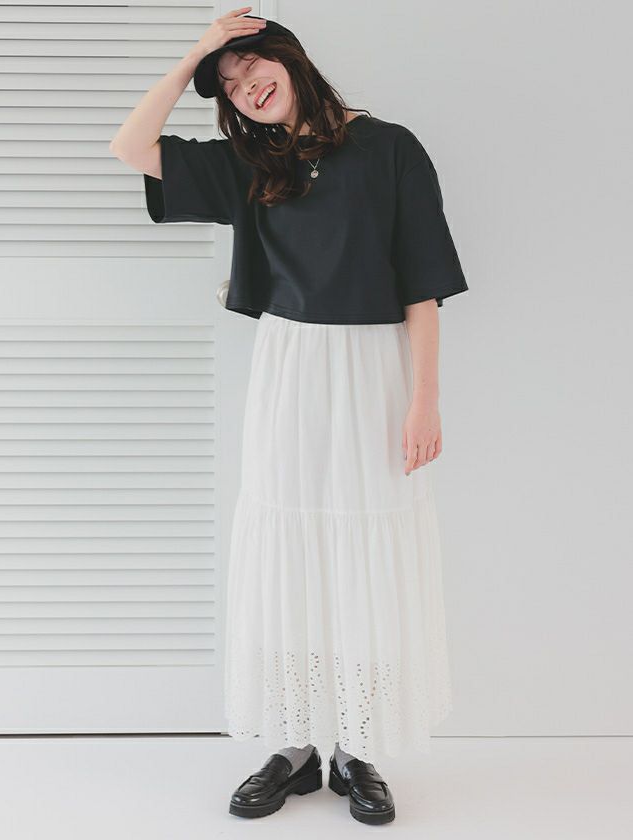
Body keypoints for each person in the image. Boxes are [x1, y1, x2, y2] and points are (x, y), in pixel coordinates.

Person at [110, 6, 468, 826]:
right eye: (230, 86)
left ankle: (357, 748)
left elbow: (422, 284)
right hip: (288, 367)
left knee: (365, 548)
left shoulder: (391, 148)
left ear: (289, 57)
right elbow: (130, 146)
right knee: (289, 547)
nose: (246, 88)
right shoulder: (249, 162)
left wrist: (425, 399)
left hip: (374, 370)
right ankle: (295, 745)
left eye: (252, 68)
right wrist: (197, 54)